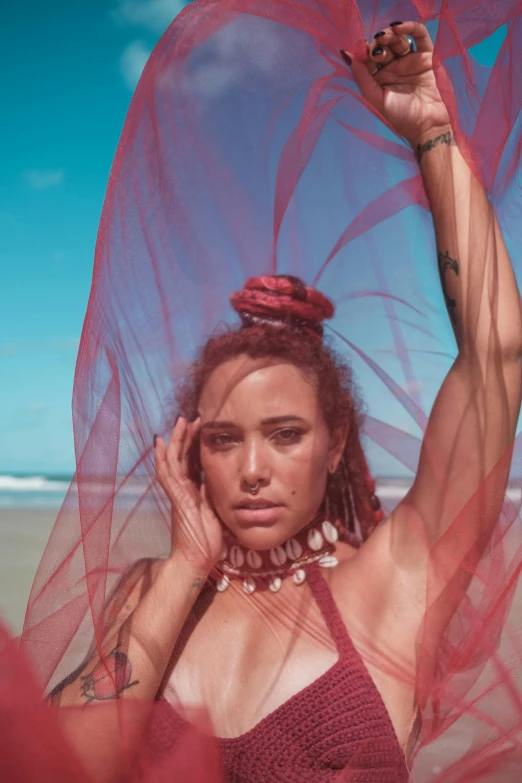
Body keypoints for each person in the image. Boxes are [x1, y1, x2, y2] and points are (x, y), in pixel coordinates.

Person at [44, 19, 522, 783]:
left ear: (336, 443)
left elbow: (495, 359)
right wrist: (184, 569)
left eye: (286, 433)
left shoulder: (396, 578)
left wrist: (432, 134)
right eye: (224, 439)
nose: (253, 469)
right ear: (191, 447)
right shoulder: (151, 590)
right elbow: (56, 761)